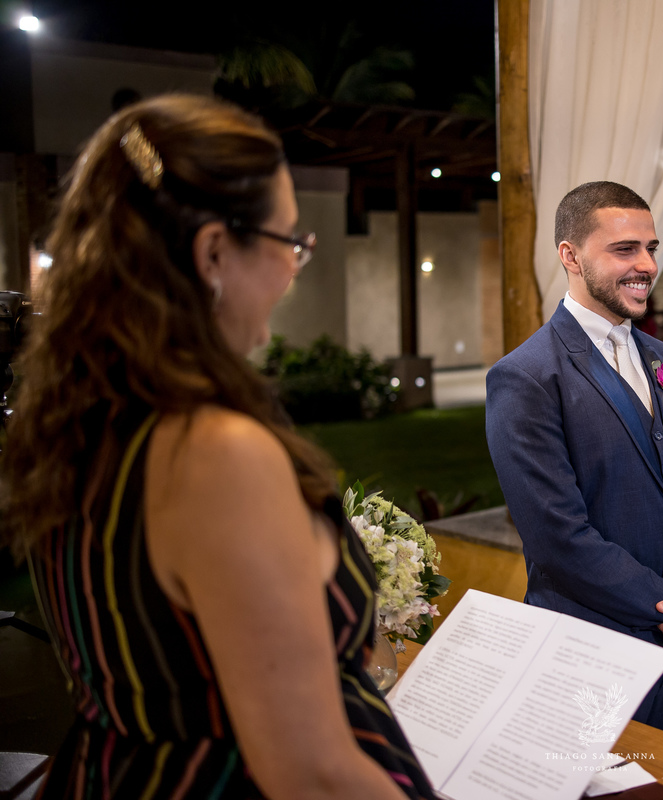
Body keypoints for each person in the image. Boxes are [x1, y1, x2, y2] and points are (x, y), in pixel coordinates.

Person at [0, 96, 433, 799]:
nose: (293, 270)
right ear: (212, 253)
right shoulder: (213, 451)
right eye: (289, 242)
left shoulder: (77, 416)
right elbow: (310, 770)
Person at [485, 181, 663, 741]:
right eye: (625, 249)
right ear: (570, 255)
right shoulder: (525, 378)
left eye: (650, 247)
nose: (647, 264)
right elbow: (559, 539)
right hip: (590, 656)